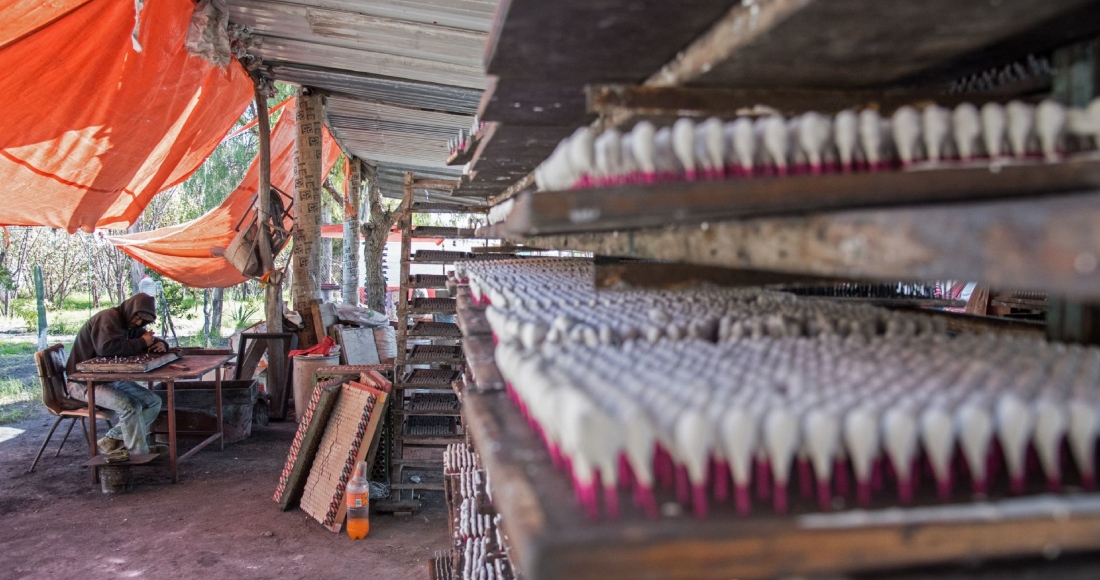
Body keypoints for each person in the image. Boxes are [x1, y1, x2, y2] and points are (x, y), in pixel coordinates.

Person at [66, 293, 167, 455]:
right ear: (131, 309)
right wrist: (142, 342)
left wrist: (160, 344)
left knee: (153, 402)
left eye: (144, 321)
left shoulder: (129, 323)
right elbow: (106, 349)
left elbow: (146, 338)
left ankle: (111, 438)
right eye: (138, 317)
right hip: (83, 382)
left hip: (109, 379)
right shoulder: (109, 317)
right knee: (130, 407)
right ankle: (139, 454)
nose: (138, 323)